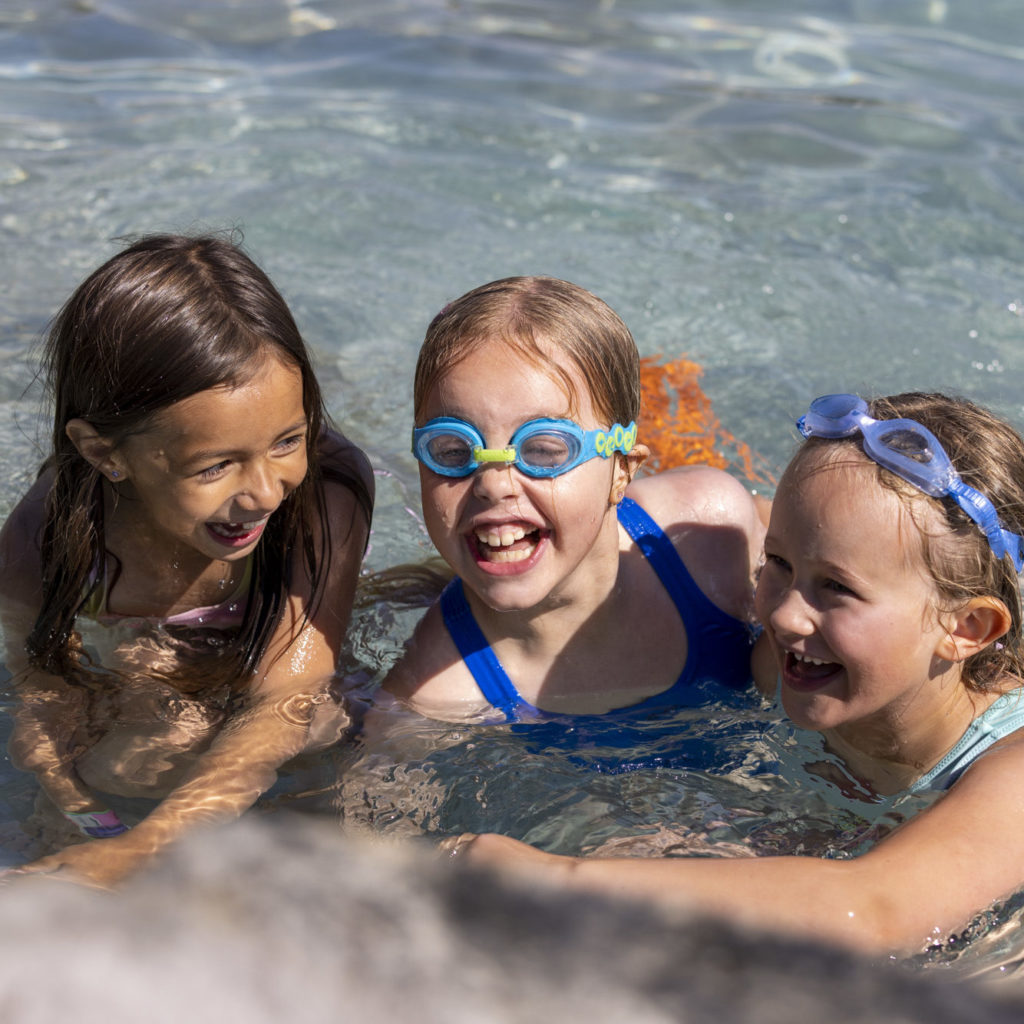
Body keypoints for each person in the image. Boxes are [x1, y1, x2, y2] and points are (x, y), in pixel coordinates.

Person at [445, 391, 1024, 956]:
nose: (782, 613)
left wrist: (560, 879)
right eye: (778, 563)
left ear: (967, 628)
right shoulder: (798, 658)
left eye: (838, 588)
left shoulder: (1012, 770)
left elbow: (878, 910)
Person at [0, 233, 373, 888]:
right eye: (217, 464)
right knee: (113, 767)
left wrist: (145, 847)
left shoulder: (325, 494)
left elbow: (289, 697)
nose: (263, 492)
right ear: (104, 452)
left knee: (324, 730)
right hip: (148, 682)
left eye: (288, 439)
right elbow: (42, 702)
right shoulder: (42, 537)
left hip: (267, 694)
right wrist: (87, 818)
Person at [382, 276, 766, 721]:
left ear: (621, 470)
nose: (492, 483)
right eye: (451, 450)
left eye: (543, 450)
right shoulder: (431, 695)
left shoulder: (712, 536)